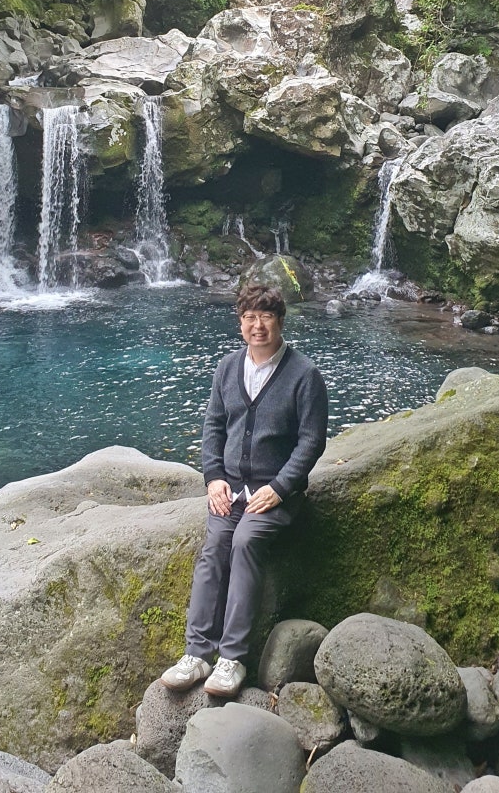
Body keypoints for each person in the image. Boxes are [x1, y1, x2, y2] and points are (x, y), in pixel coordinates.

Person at [160, 283, 329, 698]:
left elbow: (312, 441)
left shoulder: (304, 375)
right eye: (250, 318)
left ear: (280, 321)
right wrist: (213, 477)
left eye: (266, 317)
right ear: (240, 324)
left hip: (277, 496)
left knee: (245, 542)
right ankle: (197, 653)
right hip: (230, 491)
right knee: (215, 546)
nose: (258, 326)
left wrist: (281, 487)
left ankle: (231, 658)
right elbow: (214, 427)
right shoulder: (227, 368)